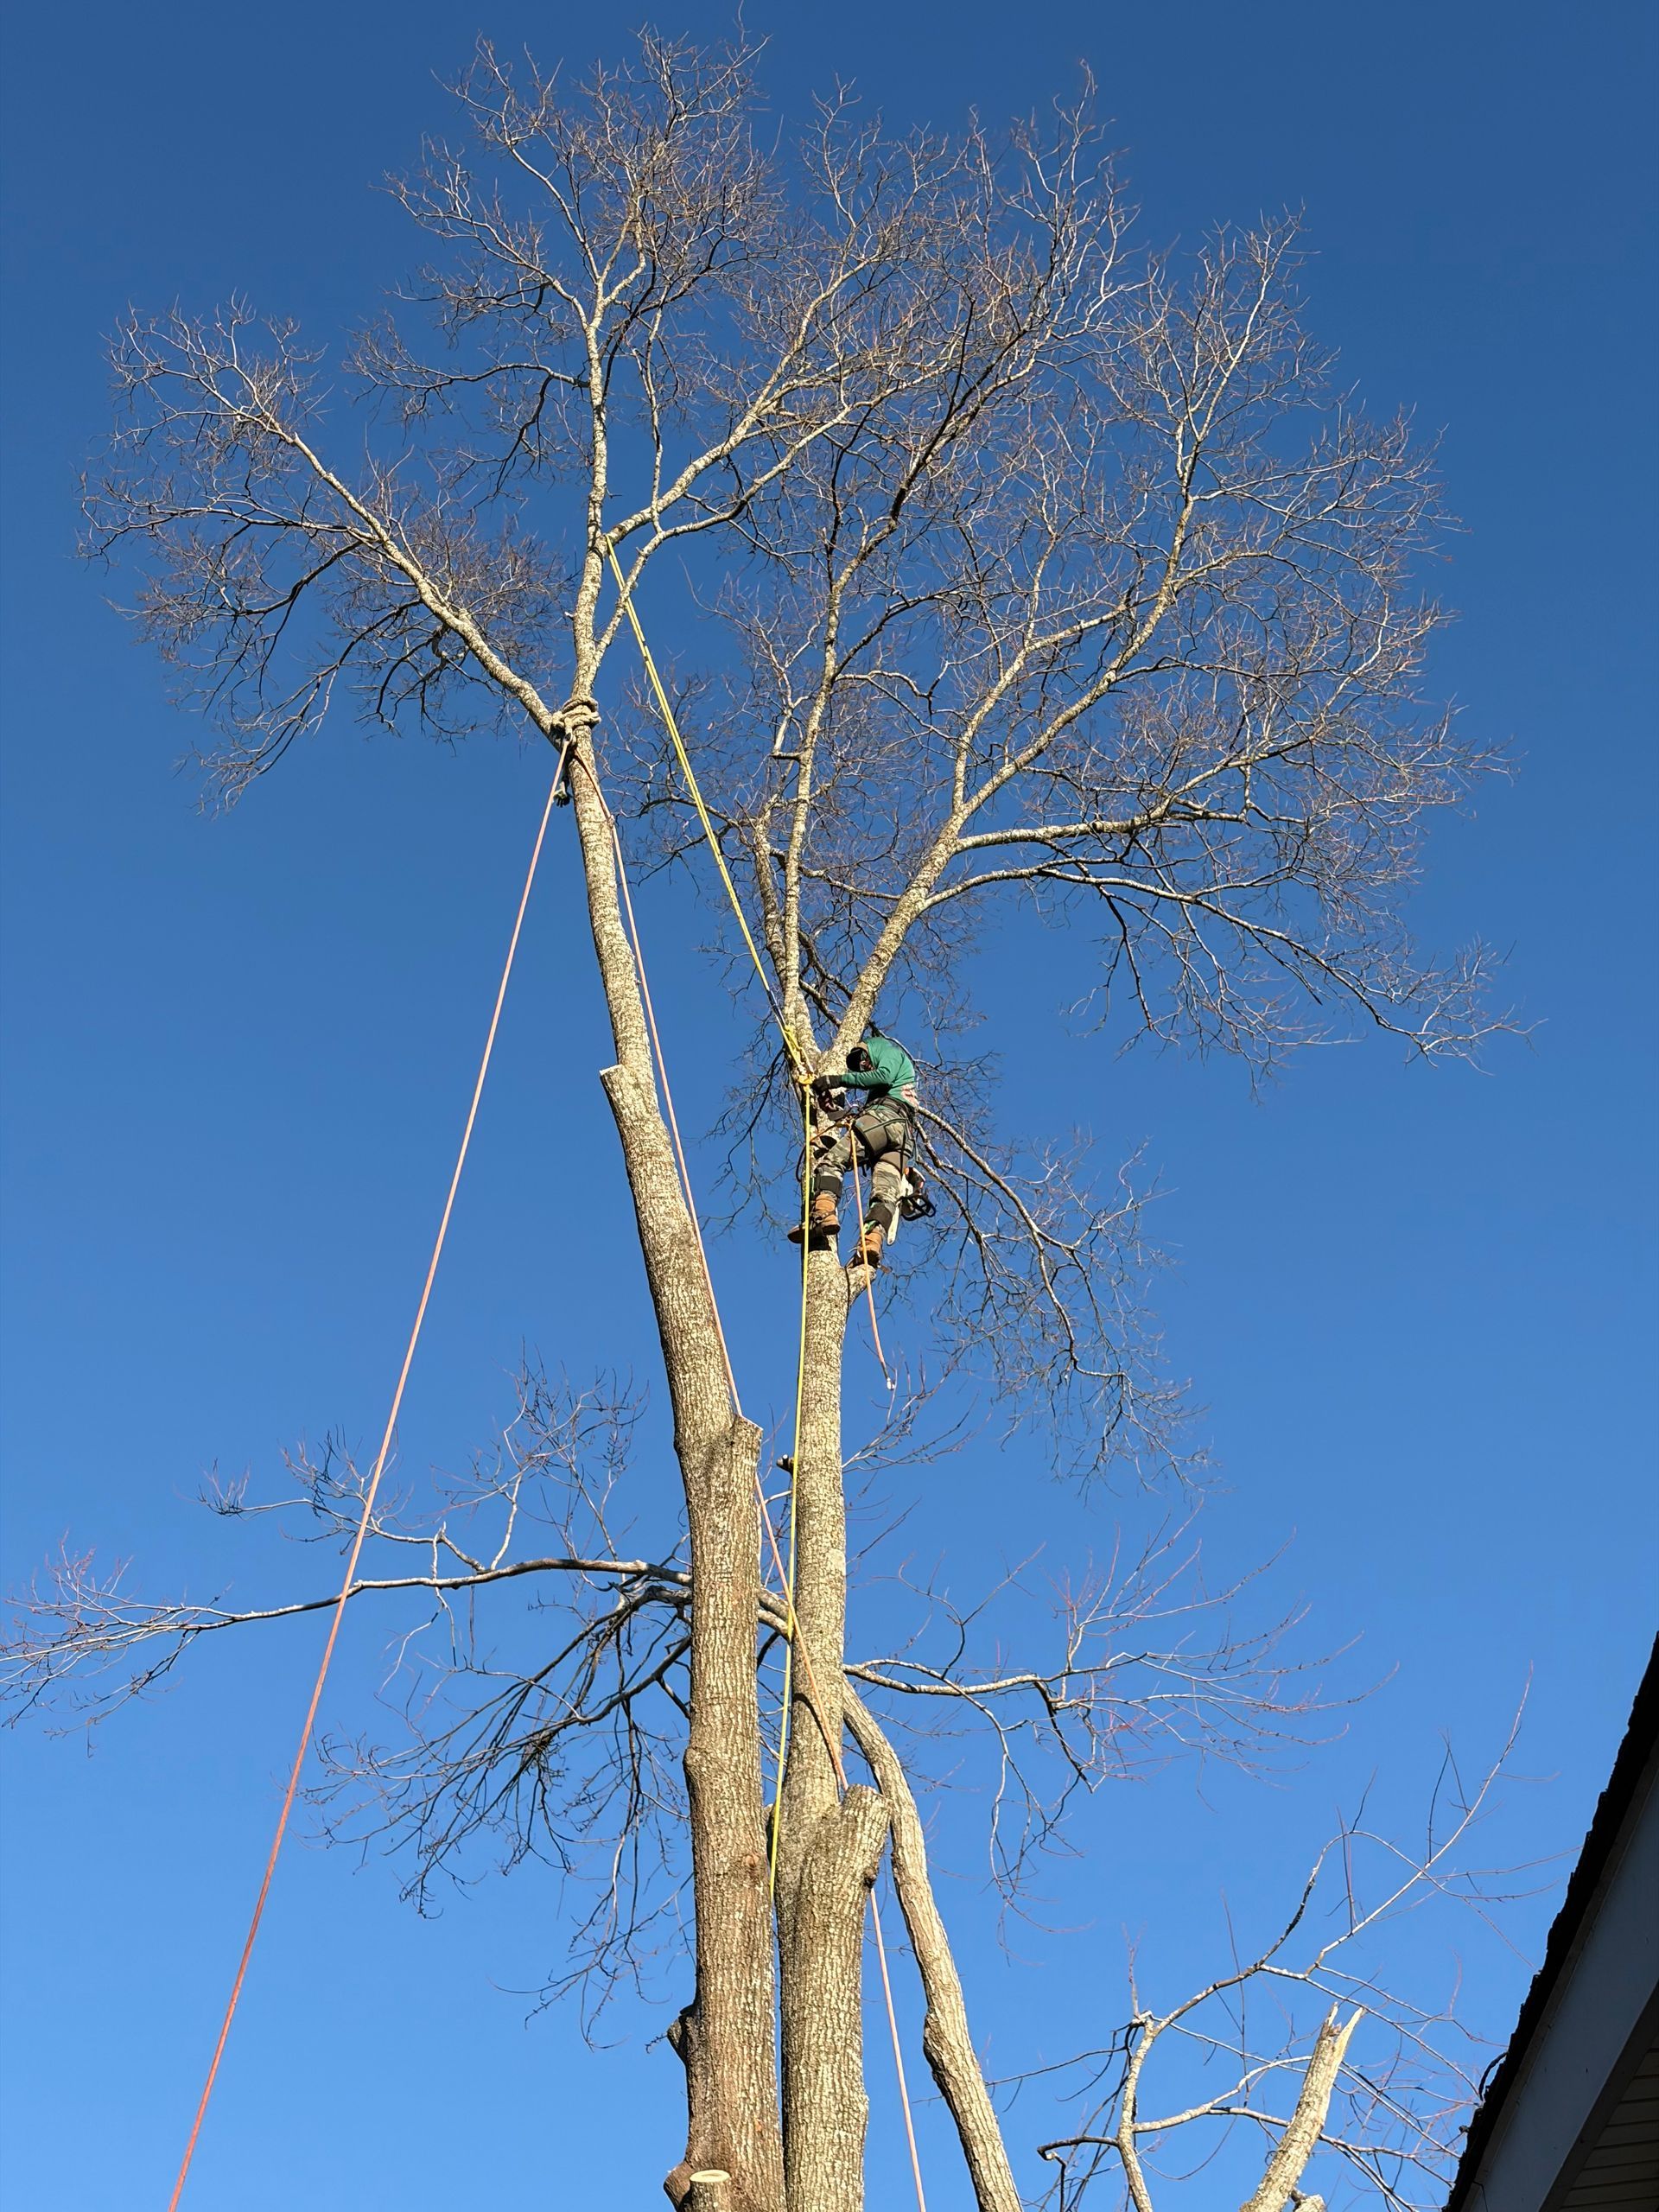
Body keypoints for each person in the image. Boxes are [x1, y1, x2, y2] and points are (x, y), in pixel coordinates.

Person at [790, 1027, 918, 1269]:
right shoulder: (900, 1087)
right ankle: (872, 1242)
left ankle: (823, 1212)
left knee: (832, 1161)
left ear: (871, 1049)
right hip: (900, 1138)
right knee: (885, 1193)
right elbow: (870, 1112)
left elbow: (882, 1077)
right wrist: (831, 1110)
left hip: (885, 1120)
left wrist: (837, 1080)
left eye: (863, 1060)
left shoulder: (890, 1052)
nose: (863, 1067)